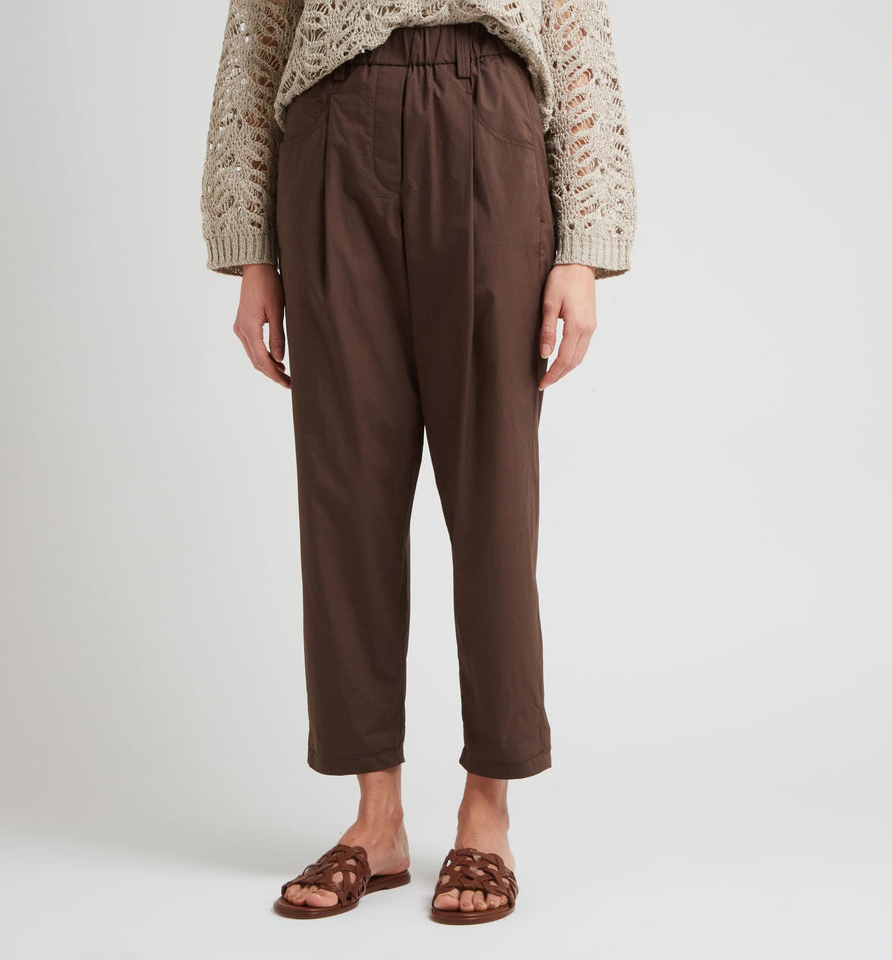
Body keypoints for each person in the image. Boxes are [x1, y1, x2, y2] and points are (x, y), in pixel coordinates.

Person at [200, 0, 637, 924]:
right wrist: (250, 250)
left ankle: (488, 811)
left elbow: (576, 31)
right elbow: (257, 39)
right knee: (345, 494)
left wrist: (586, 249)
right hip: (330, 133)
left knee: (494, 499)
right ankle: (378, 820)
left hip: (491, 124)